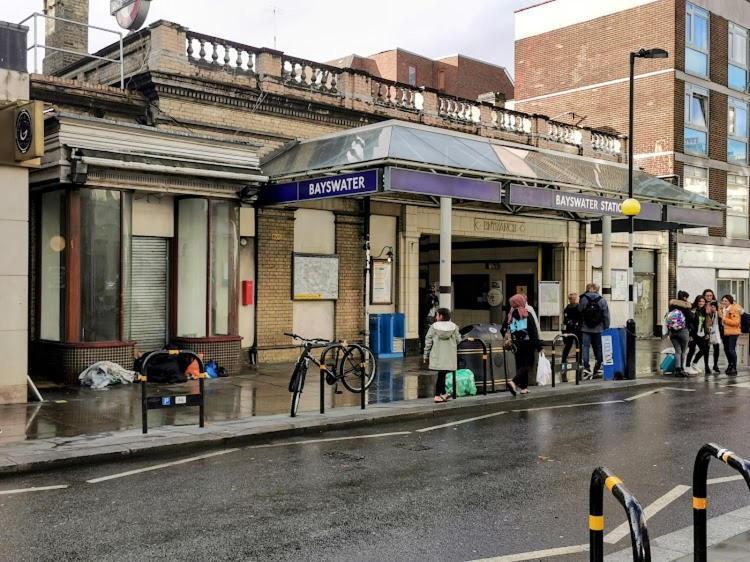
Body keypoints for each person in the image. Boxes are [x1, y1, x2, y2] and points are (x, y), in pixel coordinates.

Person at [503, 293, 543, 396]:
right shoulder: (526, 314)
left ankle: (523, 387)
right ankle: (513, 382)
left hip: (517, 344)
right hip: (528, 343)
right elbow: (532, 331)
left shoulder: (511, 315)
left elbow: (510, 330)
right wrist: (539, 346)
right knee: (527, 365)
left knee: (520, 365)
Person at [423, 307, 460, 402]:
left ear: (441, 316)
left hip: (437, 355)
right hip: (449, 356)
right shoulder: (454, 327)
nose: (435, 317)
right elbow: (458, 340)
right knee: (442, 374)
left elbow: (428, 341)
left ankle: (439, 394)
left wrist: (425, 355)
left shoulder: (433, 327)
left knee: (441, 374)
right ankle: (440, 394)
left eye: (437, 315)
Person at [578, 283, 610, 378]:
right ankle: (599, 366)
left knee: (585, 347)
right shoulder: (602, 300)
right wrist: (606, 327)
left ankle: (586, 368)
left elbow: (580, 311)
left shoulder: (583, 299)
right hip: (599, 329)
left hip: (585, 328)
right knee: (600, 347)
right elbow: (606, 315)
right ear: (597, 289)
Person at [665, 291, 693, 377]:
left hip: (672, 332)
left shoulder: (672, 306)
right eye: (686, 297)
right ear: (684, 298)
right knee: (683, 351)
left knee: (677, 351)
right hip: (683, 331)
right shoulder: (685, 306)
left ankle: (677, 370)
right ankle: (681, 369)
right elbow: (691, 318)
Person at [685, 295, 711, 375]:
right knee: (691, 350)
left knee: (704, 349)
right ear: (697, 302)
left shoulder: (704, 311)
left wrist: (707, 333)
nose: (701, 303)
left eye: (703, 301)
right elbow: (689, 322)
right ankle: (687, 367)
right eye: (700, 301)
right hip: (693, 333)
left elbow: (705, 323)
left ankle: (694, 363)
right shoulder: (693, 310)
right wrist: (690, 335)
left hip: (701, 333)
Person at [561, 293, 582, 381]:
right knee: (578, 347)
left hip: (568, 330)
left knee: (567, 347)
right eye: (577, 298)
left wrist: (563, 333)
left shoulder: (567, 308)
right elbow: (581, 318)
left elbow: (564, 321)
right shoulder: (579, 307)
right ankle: (579, 363)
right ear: (575, 299)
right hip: (576, 330)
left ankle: (563, 362)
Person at [719, 295, 742, 376]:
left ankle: (734, 368)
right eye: (723, 300)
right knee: (726, 349)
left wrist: (723, 319)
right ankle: (730, 365)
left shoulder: (734, 309)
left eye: (726, 301)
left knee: (731, 350)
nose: (724, 302)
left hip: (733, 332)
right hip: (724, 332)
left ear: (730, 301)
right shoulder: (722, 309)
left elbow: (736, 323)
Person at [702, 289, 722, 373]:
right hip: (706, 329)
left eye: (711, 295)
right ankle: (706, 366)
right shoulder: (702, 304)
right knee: (706, 348)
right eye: (707, 295)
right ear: (704, 296)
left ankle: (715, 365)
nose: (709, 297)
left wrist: (716, 311)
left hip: (715, 329)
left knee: (716, 348)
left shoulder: (716, 304)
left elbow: (721, 315)